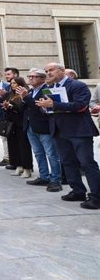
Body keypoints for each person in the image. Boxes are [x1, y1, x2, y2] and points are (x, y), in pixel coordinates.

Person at [36, 63, 100, 210]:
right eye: (46, 71)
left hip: (79, 131)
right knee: (67, 162)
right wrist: (44, 108)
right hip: (59, 131)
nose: (48, 73)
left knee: (86, 163)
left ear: (62, 71)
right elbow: (47, 109)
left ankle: (97, 197)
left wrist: (54, 104)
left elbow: (80, 106)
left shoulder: (78, 86)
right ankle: (77, 191)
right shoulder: (49, 88)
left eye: (51, 70)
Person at [18, 68, 62, 192]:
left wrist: (26, 97)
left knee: (51, 154)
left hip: (44, 127)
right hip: (30, 126)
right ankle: (44, 176)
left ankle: (55, 180)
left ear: (42, 78)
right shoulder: (30, 91)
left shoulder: (47, 90)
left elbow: (39, 108)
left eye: (33, 76)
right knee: (38, 153)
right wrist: (23, 98)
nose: (30, 78)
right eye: (29, 76)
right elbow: (24, 109)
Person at [1, 76, 34, 178]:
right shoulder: (9, 94)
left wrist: (12, 106)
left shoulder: (25, 93)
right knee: (13, 145)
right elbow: (4, 106)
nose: (12, 85)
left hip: (21, 123)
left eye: (14, 83)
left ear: (20, 83)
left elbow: (23, 108)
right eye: (11, 83)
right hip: (11, 123)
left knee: (23, 146)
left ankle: (27, 168)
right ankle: (18, 165)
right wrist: (5, 106)